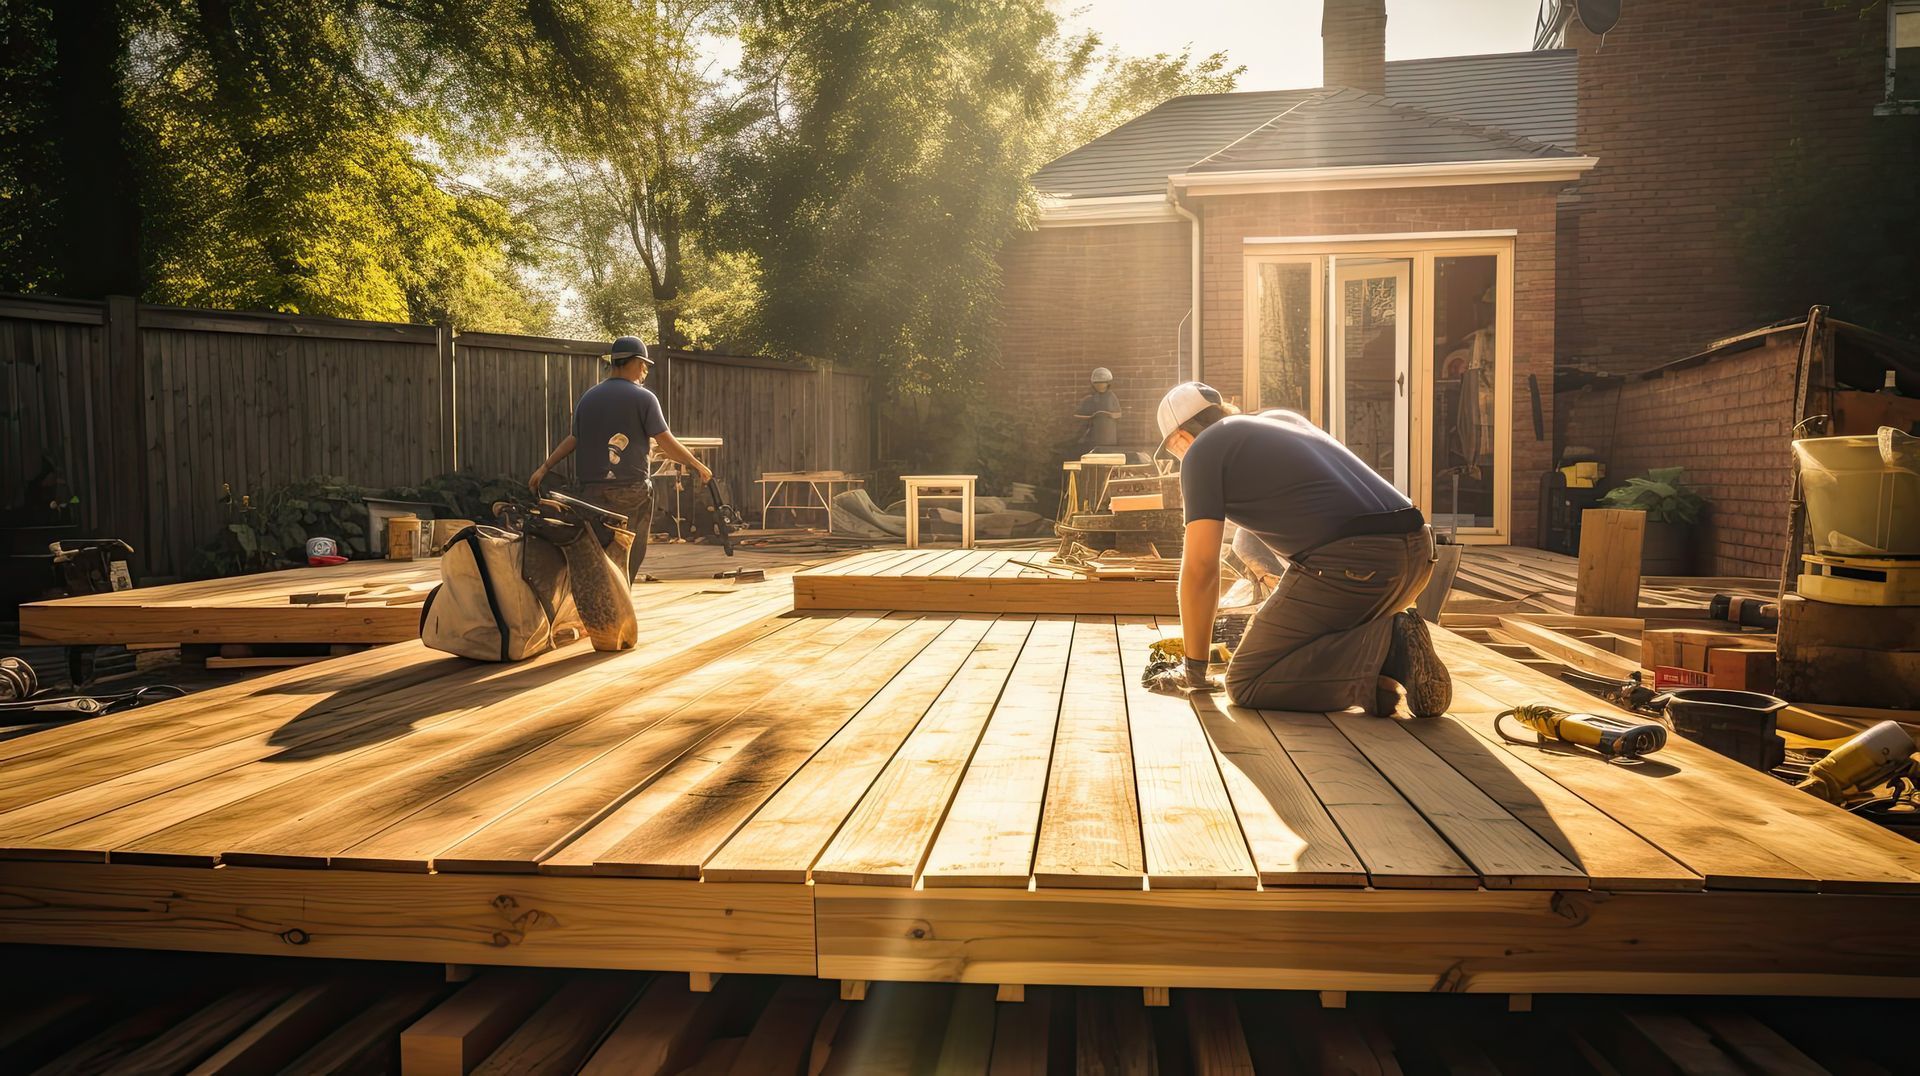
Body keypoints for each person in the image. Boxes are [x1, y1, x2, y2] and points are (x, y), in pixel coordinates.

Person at [1151, 381, 1451, 717]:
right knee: (1296, 646)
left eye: (1174, 452)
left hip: (1357, 564)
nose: (1179, 460)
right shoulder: (1279, 421)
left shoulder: (1202, 451)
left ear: (1179, 439)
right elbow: (1262, 535)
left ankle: (1392, 651)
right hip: (1418, 554)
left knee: (1248, 680)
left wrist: (1194, 669)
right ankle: (1390, 667)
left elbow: (1200, 569)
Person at [528, 335, 712, 581]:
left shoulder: (588, 397)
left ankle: (598, 604)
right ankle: (622, 597)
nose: (645, 370)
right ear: (634, 362)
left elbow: (574, 439)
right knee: (628, 554)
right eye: (644, 364)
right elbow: (665, 441)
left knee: (598, 553)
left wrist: (544, 467)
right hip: (631, 490)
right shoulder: (643, 397)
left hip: (590, 492)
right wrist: (696, 464)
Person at [1072, 367, 1123, 452]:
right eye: (1097, 383)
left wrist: (1111, 415)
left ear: (1108, 384)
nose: (1100, 385)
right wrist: (1091, 416)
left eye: (1103, 383)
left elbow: (1119, 414)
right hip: (1093, 435)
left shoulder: (1111, 396)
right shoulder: (1089, 398)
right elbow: (1077, 415)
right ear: (1093, 384)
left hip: (1109, 435)